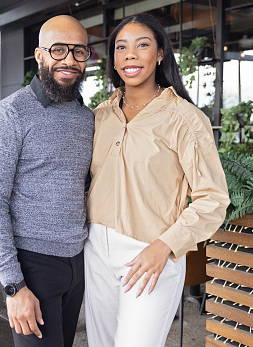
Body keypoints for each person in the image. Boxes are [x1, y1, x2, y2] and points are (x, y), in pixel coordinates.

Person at [84, 14, 230, 347]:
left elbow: (213, 198)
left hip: (150, 253)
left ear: (160, 53)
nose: (130, 55)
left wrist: (164, 247)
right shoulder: (99, 115)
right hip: (95, 250)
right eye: (121, 47)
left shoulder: (185, 119)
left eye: (142, 45)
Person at [0, 15, 95, 347]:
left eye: (78, 51)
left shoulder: (86, 118)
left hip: (77, 259)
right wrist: (13, 286)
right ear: (39, 55)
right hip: (32, 264)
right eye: (58, 50)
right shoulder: (10, 114)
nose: (69, 60)